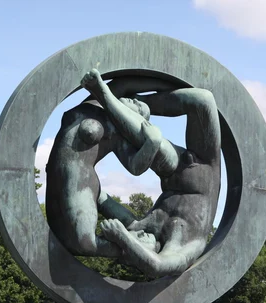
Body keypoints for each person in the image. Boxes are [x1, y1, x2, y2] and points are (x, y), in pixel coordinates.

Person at [80, 69, 221, 278]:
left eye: (133, 235)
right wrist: (122, 238)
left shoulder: (141, 227)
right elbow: (157, 267)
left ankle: (111, 97)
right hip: (203, 169)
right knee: (203, 100)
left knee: (151, 141)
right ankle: (136, 102)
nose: (136, 234)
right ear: (147, 249)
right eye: (136, 238)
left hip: (173, 173)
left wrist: (82, 177)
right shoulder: (184, 245)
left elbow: (101, 198)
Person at [45, 76, 173, 258]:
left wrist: (152, 142)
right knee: (63, 235)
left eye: (139, 107)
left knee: (85, 243)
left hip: (80, 184)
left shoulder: (117, 135)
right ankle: (133, 240)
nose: (135, 99)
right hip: (55, 179)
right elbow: (125, 83)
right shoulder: (98, 100)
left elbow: (136, 167)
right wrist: (166, 83)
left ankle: (137, 247)